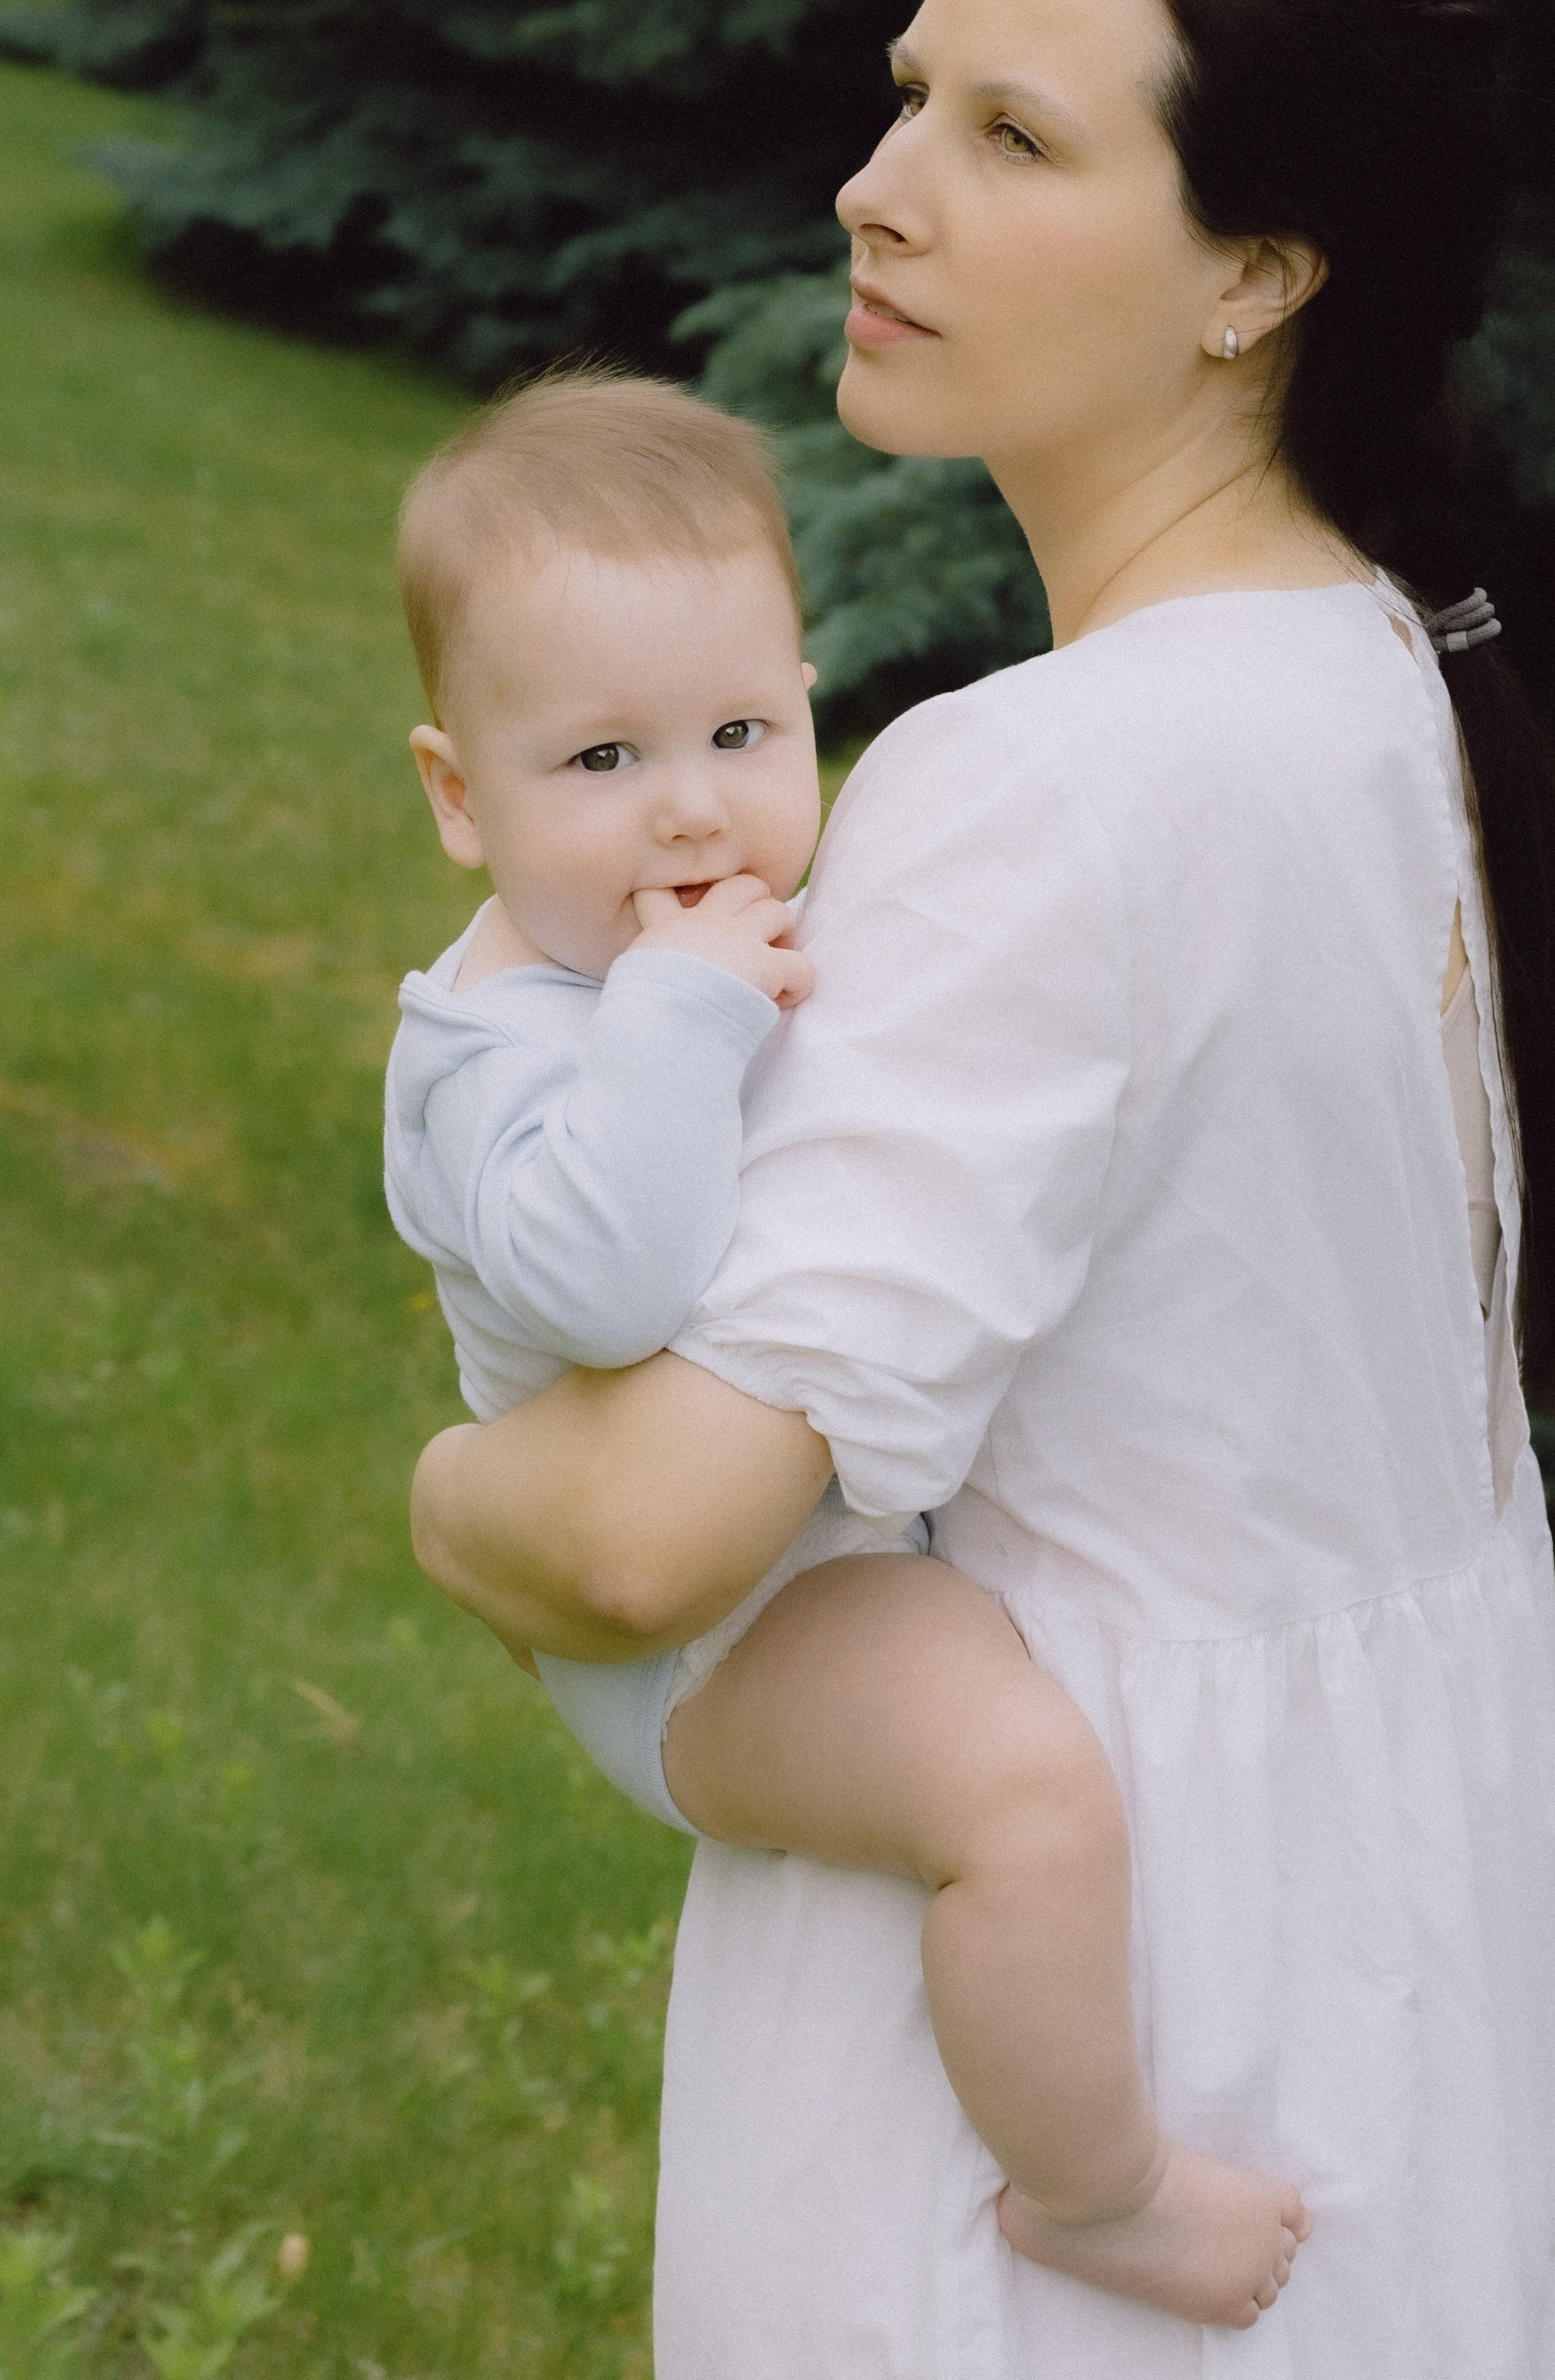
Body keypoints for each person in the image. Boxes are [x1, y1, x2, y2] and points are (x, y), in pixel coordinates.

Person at [409, 0, 1555, 2365]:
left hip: (1101, 2000)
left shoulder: (1052, 782)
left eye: (1013, 133)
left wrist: (444, 1496)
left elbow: (645, 1541)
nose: (878, 181)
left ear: (1254, 271)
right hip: (1383, 1916)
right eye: (913, 89)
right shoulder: (1368, 666)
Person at [384, 369, 1306, 2330]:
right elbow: (612, 1282)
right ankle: (1100, 2187)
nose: (694, 803)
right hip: (692, 1640)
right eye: (601, 760)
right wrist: (683, 1016)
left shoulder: (696, 931)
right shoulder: (497, 1054)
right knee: (1017, 1792)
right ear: (461, 800)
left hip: (782, 1554)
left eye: (739, 728)